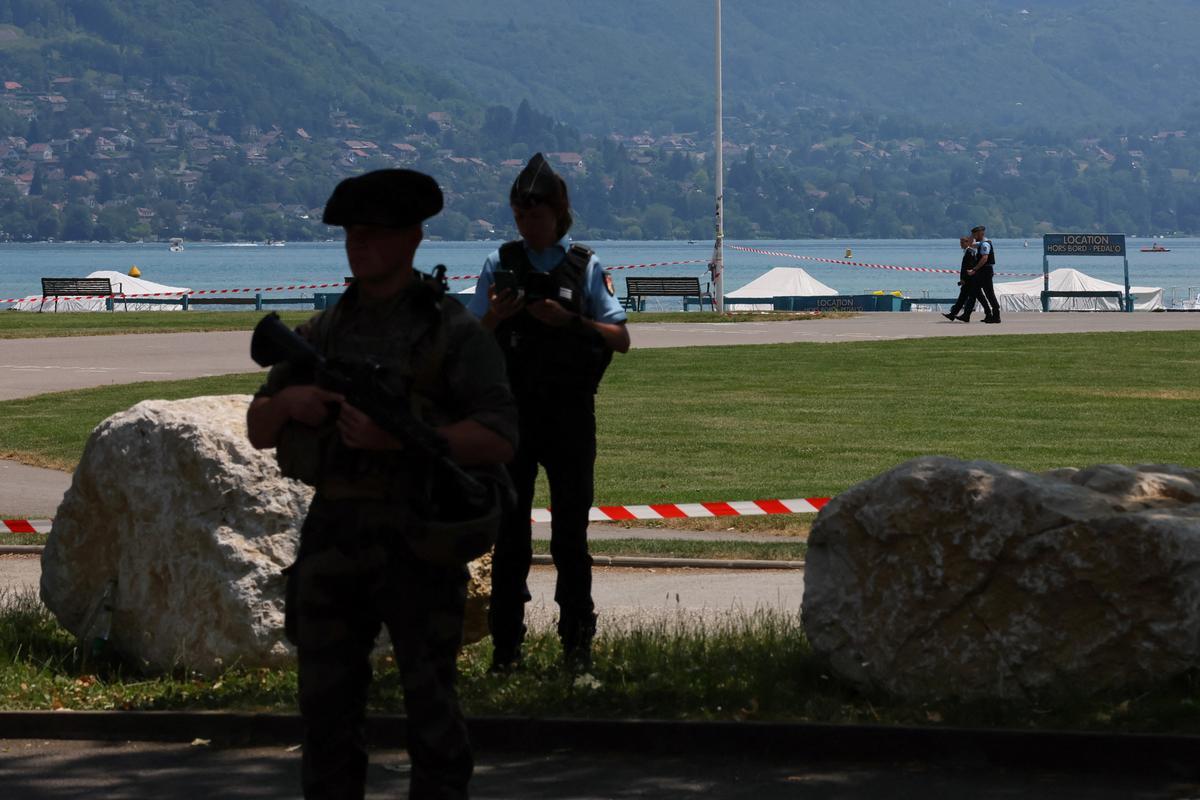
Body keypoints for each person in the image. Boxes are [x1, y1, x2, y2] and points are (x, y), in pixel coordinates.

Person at [246, 169, 518, 799]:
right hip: (334, 538)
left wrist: (403, 439)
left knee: (431, 712)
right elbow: (260, 427)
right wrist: (296, 403)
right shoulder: (322, 333)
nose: (358, 245)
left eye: (373, 234)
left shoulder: (451, 331)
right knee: (326, 717)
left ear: (413, 239)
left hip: (416, 538)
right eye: (351, 234)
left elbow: (501, 436)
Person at [468, 153, 631, 673]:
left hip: (568, 417)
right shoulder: (500, 264)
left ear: (557, 215)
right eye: (519, 216)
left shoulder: (585, 266)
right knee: (509, 539)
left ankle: (577, 644)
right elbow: (470, 342)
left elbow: (620, 338)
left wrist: (568, 321)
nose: (525, 225)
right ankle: (506, 648)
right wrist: (498, 314)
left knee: (569, 539)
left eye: (534, 216)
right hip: (512, 418)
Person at [969, 224, 1002, 323]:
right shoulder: (981, 243)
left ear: (980, 233)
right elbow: (970, 245)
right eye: (973, 233)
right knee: (976, 290)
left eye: (975, 233)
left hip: (986, 271)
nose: (974, 235)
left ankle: (996, 316)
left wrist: (974, 269)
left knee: (989, 294)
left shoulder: (985, 244)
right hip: (982, 272)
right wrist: (972, 236)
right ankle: (988, 314)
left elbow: (984, 258)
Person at [943, 235, 979, 322]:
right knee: (962, 298)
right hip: (967, 279)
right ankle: (953, 314)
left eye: (962, 242)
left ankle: (965, 315)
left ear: (967, 242)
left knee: (969, 298)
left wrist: (964, 279)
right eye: (960, 242)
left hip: (969, 280)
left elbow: (969, 267)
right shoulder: (967, 252)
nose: (960, 244)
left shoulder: (970, 252)